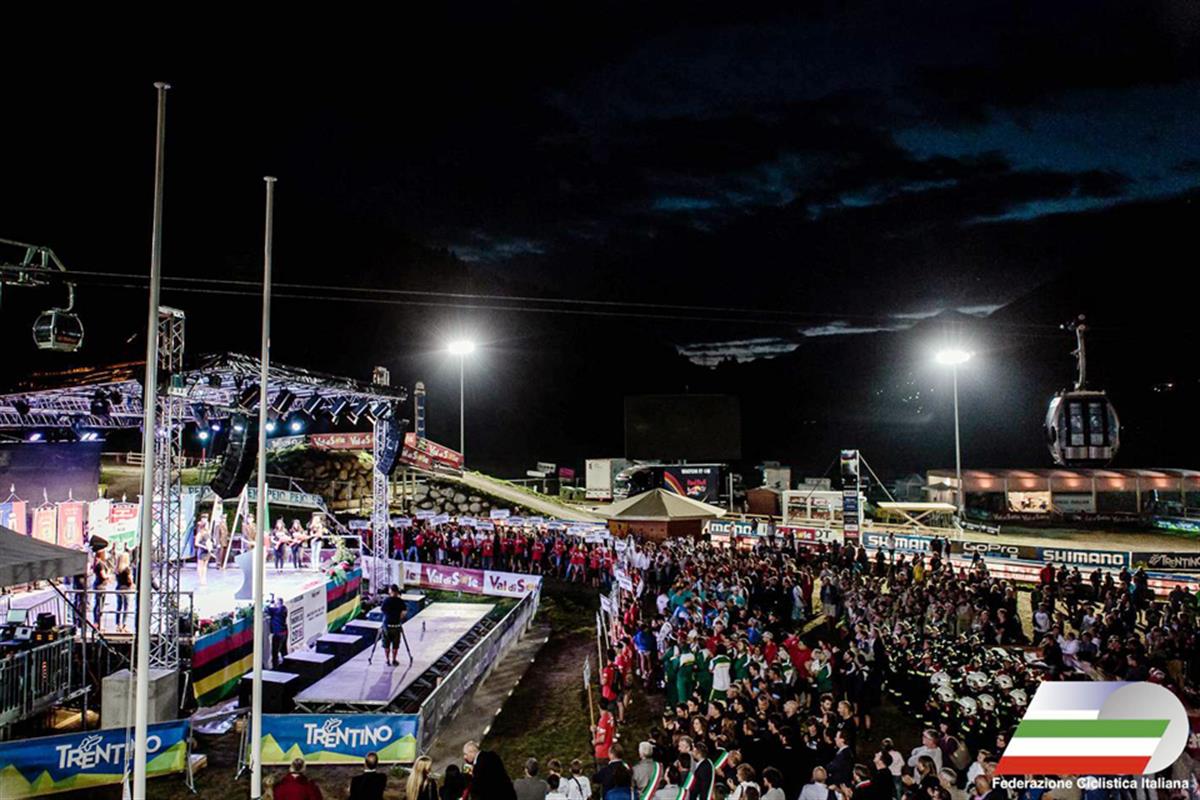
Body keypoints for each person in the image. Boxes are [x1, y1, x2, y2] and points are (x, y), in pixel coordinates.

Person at [380, 583, 408, 666]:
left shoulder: (386, 600)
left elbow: (383, 610)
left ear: (390, 591)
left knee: (386, 643)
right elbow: (404, 612)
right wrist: (399, 618)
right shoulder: (400, 601)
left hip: (387, 625)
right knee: (395, 644)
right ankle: (394, 660)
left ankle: (387, 660)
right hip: (396, 625)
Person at [114, 546, 133, 633]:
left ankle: (117, 625)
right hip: (126, 589)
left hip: (118, 588)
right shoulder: (127, 569)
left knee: (119, 607)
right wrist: (133, 584)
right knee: (126, 608)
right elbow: (129, 581)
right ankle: (124, 625)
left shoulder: (117, 569)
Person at [266, 595, 289, 668]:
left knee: (275, 652)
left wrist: (271, 603)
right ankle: (287, 665)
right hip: (284, 632)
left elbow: (267, 609)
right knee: (283, 650)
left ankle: (275, 667)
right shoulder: (284, 609)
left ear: (279, 603)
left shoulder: (276, 611)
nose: (275, 604)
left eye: (276, 603)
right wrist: (272, 600)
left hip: (278, 634)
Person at [195, 513, 212, 586]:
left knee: (205, 565)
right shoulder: (199, 533)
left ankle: (204, 578)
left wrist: (210, 546)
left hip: (207, 550)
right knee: (200, 565)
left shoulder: (208, 533)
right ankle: (200, 579)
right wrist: (203, 546)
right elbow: (196, 543)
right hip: (202, 550)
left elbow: (209, 540)